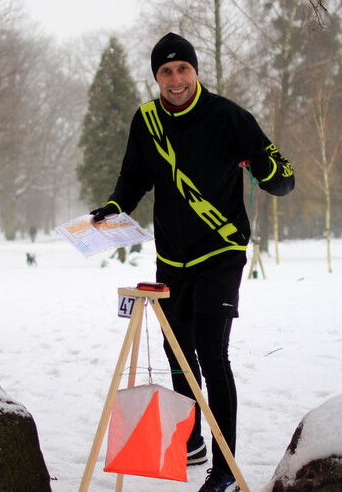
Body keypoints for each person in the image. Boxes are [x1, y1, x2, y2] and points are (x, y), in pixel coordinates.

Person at [91, 32, 294, 492]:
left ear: (195, 71)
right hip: (172, 256)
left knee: (211, 351)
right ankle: (193, 441)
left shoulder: (228, 117)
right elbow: (134, 177)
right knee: (176, 349)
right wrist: (115, 205)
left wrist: (266, 171)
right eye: (166, 71)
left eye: (183, 68)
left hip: (221, 251)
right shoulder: (146, 120)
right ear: (156, 77)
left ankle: (225, 469)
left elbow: (283, 178)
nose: (175, 79)